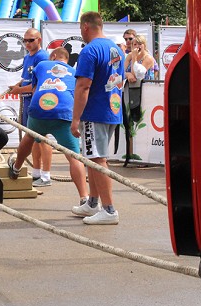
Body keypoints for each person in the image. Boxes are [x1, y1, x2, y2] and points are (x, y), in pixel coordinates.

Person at [8, 48, 88, 200]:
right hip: (63, 112)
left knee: (30, 136)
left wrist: (18, 89)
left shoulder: (43, 64)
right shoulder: (75, 72)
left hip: (40, 109)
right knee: (74, 156)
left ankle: (16, 167)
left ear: (53, 56)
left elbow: (33, 89)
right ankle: (84, 198)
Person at [71, 11, 124, 225]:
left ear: (85, 27)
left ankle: (109, 209)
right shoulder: (116, 48)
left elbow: (83, 86)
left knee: (98, 159)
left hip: (95, 111)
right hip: (112, 109)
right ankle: (93, 203)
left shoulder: (90, 50)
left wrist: (75, 119)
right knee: (93, 157)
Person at [9, 28, 52, 182]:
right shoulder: (28, 57)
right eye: (25, 40)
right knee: (31, 138)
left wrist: (18, 90)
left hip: (39, 101)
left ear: (39, 40)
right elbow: (27, 78)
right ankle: (36, 172)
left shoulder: (43, 57)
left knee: (42, 138)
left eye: (31, 40)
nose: (27, 43)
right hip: (28, 100)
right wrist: (17, 86)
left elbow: (39, 84)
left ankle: (46, 175)